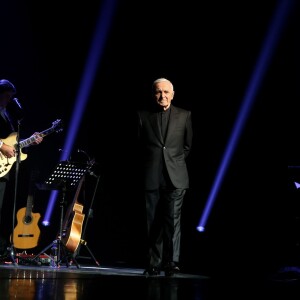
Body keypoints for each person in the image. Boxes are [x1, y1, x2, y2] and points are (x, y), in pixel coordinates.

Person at [137, 78, 193, 276]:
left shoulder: (184, 115)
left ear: (173, 93)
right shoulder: (143, 116)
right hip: (152, 176)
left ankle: (172, 261)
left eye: (166, 92)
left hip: (175, 177)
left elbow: (187, 146)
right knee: (152, 222)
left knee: (173, 220)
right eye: (158, 92)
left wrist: (172, 162)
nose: (162, 96)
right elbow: (139, 147)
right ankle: (154, 263)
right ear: (154, 94)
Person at [0, 79, 43, 235]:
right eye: (7, 96)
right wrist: (1, 146)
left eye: (11, 97)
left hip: (5, 169)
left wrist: (30, 141)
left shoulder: (8, 114)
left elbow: (12, 141)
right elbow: (5, 144)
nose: (9, 100)